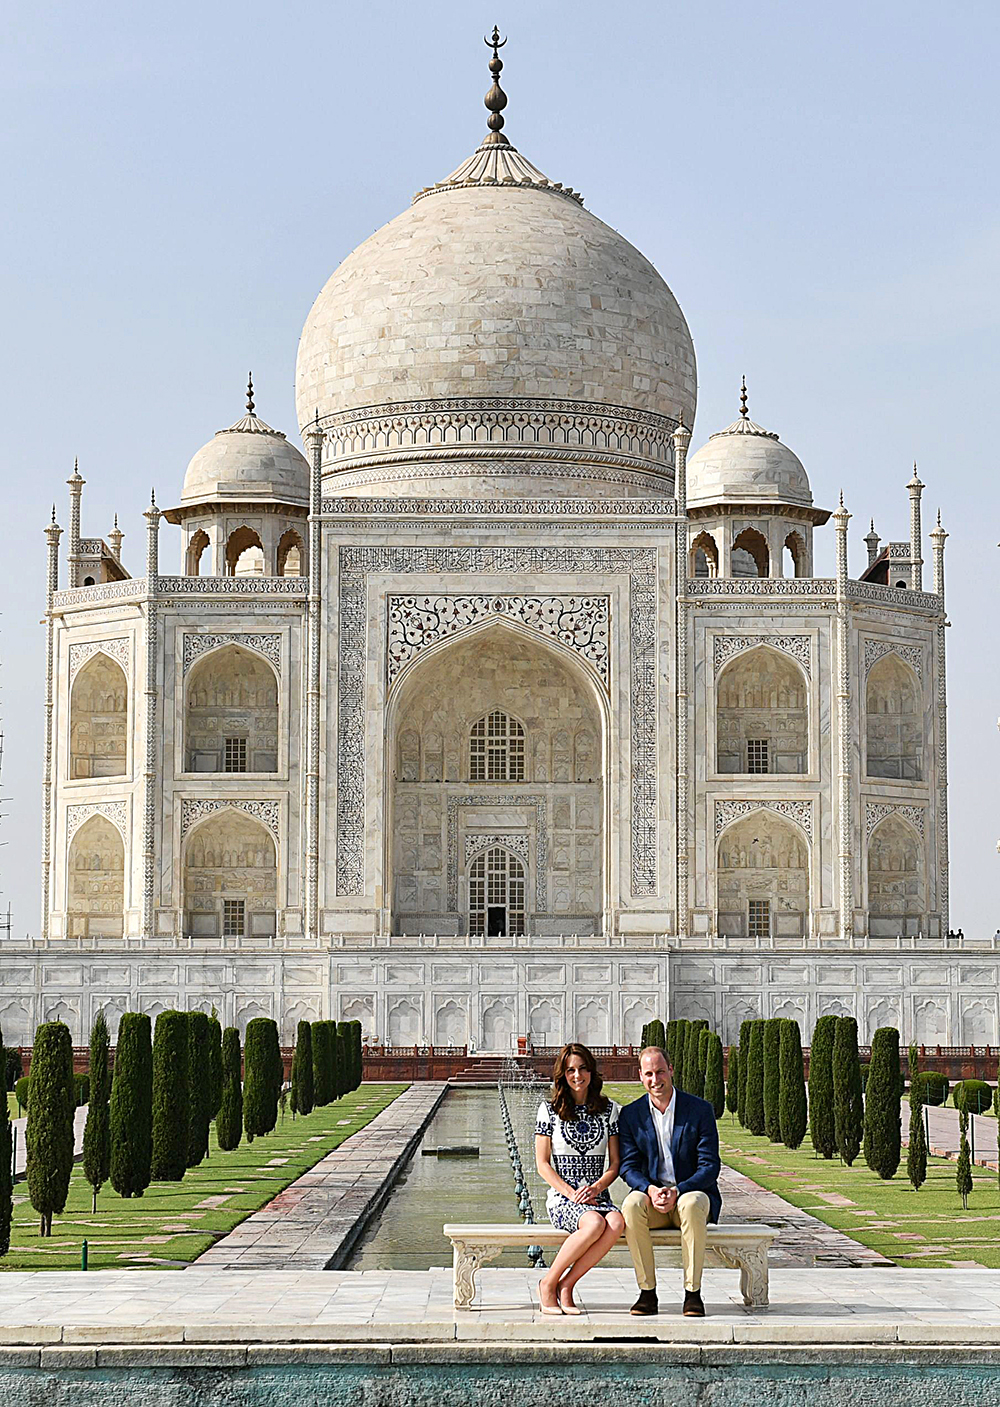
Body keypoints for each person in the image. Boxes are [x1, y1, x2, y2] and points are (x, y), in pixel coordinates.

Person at [617, 1044, 722, 1317]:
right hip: (655, 1200)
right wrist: (649, 1189)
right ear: (640, 1076)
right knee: (631, 1205)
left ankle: (692, 1293)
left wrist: (678, 1190)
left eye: (660, 1072)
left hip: (689, 1196)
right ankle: (647, 1292)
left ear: (671, 1070)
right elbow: (627, 1167)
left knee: (690, 1203)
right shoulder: (631, 1115)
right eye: (649, 1074)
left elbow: (710, 1166)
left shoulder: (698, 1110)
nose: (656, 1080)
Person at [534, 1042, 625, 1315]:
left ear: (591, 1071)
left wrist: (597, 1187)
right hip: (564, 1198)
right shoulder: (549, 1111)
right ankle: (548, 1283)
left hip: (597, 1195)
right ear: (562, 1074)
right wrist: (571, 1192)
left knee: (617, 1222)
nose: (577, 1075)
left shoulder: (608, 1111)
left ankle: (567, 1285)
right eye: (571, 1070)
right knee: (595, 1222)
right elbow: (542, 1164)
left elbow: (615, 1163)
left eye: (583, 1068)